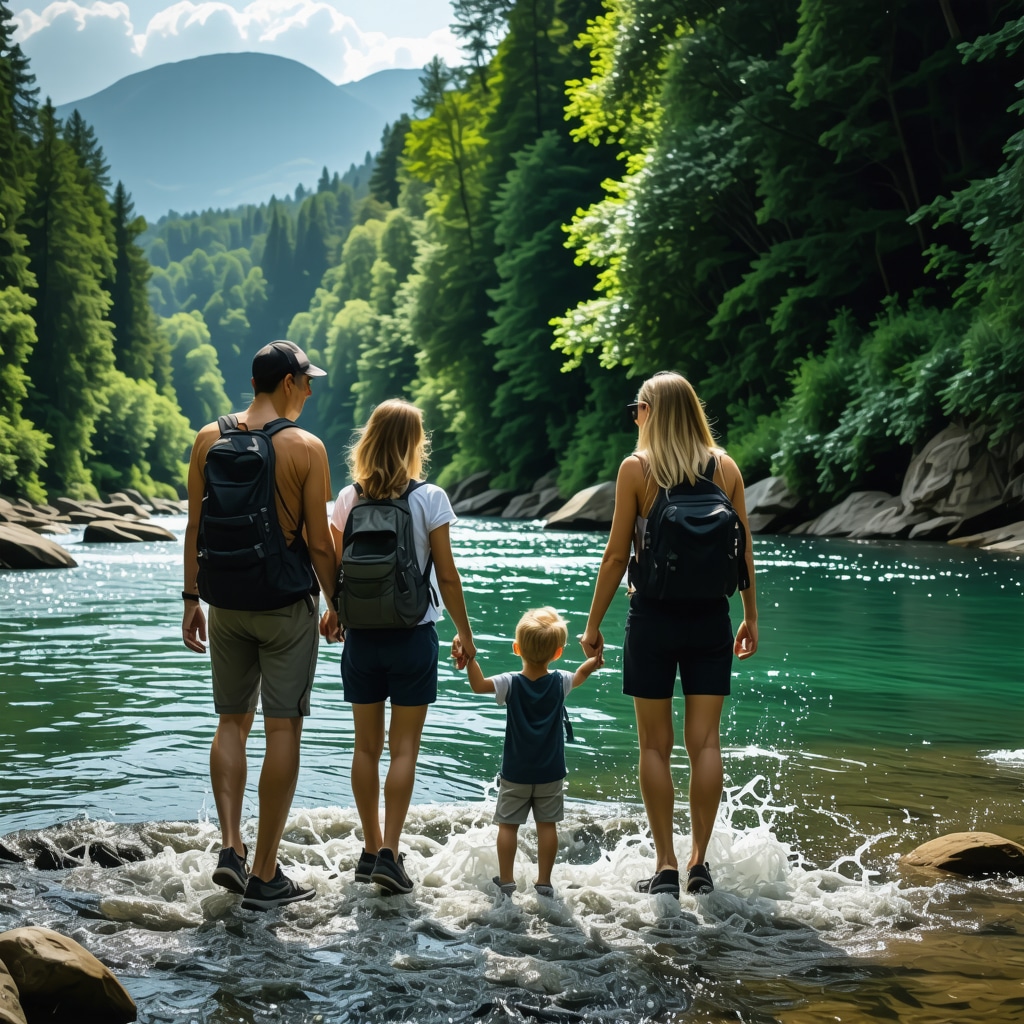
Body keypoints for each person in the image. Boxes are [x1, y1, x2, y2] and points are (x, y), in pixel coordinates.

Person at [579, 370, 758, 899]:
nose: (634, 416)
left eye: (637, 408)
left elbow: (616, 556)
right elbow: (744, 551)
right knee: (705, 742)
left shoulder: (638, 469)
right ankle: (700, 863)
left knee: (654, 746)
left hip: (652, 618)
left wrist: (592, 625)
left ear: (652, 412)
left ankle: (665, 865)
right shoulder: (725, 467)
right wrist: (750, 616)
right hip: (711, 619)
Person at [182, 340, 338, 911]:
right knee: (283, 731)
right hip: (285, 607)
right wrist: (336, 602)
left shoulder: (207, 437)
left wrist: (189, 600)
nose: (311, 390)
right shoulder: (306, 447)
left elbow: (195, 528)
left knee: (230, 723)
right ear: (289, 382)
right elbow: (320, 543)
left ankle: (230, 848)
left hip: (224, 603)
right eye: (307, 380)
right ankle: (266, 873)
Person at [324, 399, 476, 895]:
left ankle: (369, 851)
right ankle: (391, 851)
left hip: (362, 638)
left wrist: (334, 608)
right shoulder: (431, 497)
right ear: (415, 443)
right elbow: (447, 576)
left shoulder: (348, 498)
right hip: (413, 637)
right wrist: (464, 632)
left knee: (364, 748)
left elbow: (329, 561)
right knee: (403, 748)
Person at [458, 607, 601, 898]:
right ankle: (544, 882)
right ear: (557, 653)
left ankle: (507, 881)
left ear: (516, 648)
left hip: (516, 772)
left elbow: (477, 685)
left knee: (508, 827)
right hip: (550, 772)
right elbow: (581, 675)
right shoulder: (560, 681)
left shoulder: (510, 682)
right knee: (547, 826)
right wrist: (593, 660)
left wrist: (470, 658)